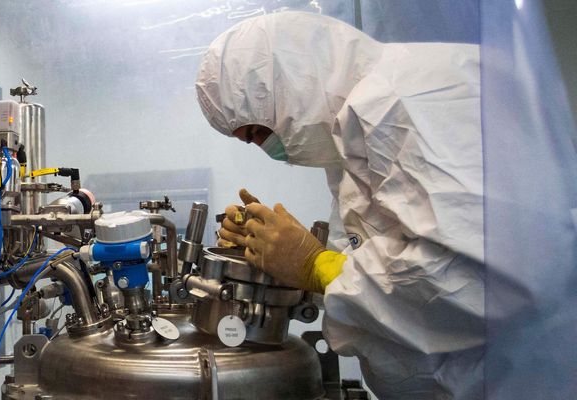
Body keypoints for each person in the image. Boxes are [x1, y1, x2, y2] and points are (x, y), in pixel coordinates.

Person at [195, 12, 484, 399]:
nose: (262, 146)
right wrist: (275, 252)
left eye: (258, 131)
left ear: (292, 83)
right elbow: (376, 262)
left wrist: (315, 266)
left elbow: (468, 280)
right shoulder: (352, 143)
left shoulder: (403, 100)